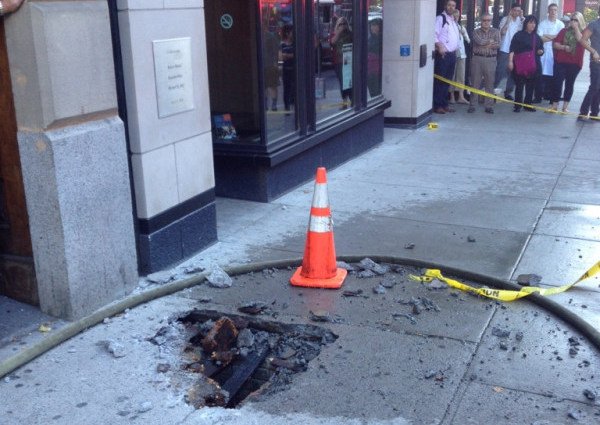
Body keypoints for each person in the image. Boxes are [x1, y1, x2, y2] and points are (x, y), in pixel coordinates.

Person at [549, 12, 586, 113]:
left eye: (576, 20)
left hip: (574, 63)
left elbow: (581, 41)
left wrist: (576, 28)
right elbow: (555, 44)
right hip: (561, 61)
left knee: (569, 84)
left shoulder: (584, 32)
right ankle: (554, 105)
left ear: (580, 21)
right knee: (557, 83)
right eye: (572, 20)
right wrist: (564, 47)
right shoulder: (564, 31)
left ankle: (565, 106)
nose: (573, 22)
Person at [508, 15, 544, 112]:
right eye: (530, 22)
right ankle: (517, 105)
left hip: (533, 65)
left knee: (530, 85)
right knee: (519, 85)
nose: (533, 25)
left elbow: (541, 49)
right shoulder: (518, 35)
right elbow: (512, 49)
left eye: (534, 23)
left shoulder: (536, 37)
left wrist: (541, 51)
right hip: (520, 64)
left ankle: (528, 104)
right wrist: (510, 62)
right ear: (526, 24)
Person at [468, 13, 501, 113]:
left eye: (488, 20)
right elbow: (479, 42)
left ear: (491, 21)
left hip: (491, 59)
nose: (486, 22)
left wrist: (486, 43)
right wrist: (490, 42)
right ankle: (472, 105)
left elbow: (498, 44)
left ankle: (489, 106)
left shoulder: (496, 31)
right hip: (477, 59)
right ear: (481, 21)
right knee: (475, 82)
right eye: (484, 20)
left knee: (489, 83)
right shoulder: (475, 31)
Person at [433, 0, 460, 114]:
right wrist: (439, 45)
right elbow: (433, 34)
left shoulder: (453, 20)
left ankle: (444, 104)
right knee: (440, 81)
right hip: (443, 56)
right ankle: (438, 105)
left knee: (447, 81)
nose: (451, 7)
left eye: (453, 6)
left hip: (452, 55)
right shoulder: (440, 19)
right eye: (449, 5)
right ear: (445, 6)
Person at [534, 3, 564, 103]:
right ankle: (538, 97)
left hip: (555, 53)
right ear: (548, 11)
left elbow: (561, 39)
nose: (553, 12)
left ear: (557, 11)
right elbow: (539, 38)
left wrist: (547, 36)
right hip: (544, 52)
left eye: (555, 10)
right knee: (540, 76)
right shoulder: (542, 24)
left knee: (553, 76)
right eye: (551, 10)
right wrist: (554, 37)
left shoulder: (561, 24)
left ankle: (551, 97)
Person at [494, 3, 524, 101]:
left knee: (513, 73)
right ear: (511, 10)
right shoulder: (505, 19)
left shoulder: (521, 21)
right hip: (505, 49)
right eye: (515, 10)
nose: (517, 12)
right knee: (500, 72)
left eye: (518, 11)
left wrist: (522, 17)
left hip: (516, 51)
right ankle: (492, 91)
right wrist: (508, 20)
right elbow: (502, 32)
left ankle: (508, 92)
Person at [578, 11, 600, 122]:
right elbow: (582, 40)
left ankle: (594, 113)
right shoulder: (594, 24)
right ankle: (583, 112)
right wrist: (593, 51)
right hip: (596, 61)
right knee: (595, 86)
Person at [449, 9, 470, 104]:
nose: (456, 18)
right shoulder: (448, 26)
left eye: (457, 16)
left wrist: (463, 33)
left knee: (461, 76)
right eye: (454, 16)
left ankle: (461, 96)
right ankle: (452, 96)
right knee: (452, 76)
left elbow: (468, 40)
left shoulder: (460, 27)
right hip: (452, 53)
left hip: (462, 54)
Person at [331, 17, 353, 106]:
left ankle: (351, 99)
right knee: (342, 81)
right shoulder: (334, 34)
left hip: (348, 60)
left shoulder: (350, 34)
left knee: (348, 81)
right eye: (340, 24)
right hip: (339, 61)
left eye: (344, 24)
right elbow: (332, 42)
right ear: (337, 25)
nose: (343, 26)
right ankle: (344, 100)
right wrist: (339, 32)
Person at [263, 26, 280, 111]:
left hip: (269, 65)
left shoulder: (270, 36)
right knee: (265, 86)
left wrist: (275, 63)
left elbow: (275, 50)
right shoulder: (266, 36)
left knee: (272, 85)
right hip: (264, 64)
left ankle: (273, 104)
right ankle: (267, 103)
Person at [280, 24, 295, 113]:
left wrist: (287, 55)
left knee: (293, 88)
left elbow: (295, 55)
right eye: (292, 32)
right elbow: (281, 57)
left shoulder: (294, 43)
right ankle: (287, 107)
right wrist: (290, 56)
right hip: (286, 70)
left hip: (294, 69)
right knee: (286, 89)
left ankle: (293, 104)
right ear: (287, 33)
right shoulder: (282, 44)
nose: (293, 34)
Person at [367, 18, 383, 97]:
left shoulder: (382, 39)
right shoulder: (370, 39)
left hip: (378, 71)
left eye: (375, 25)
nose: (372, 27)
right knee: (372, 92)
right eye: (371, 25)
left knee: (377, 92)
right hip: (370, 70)